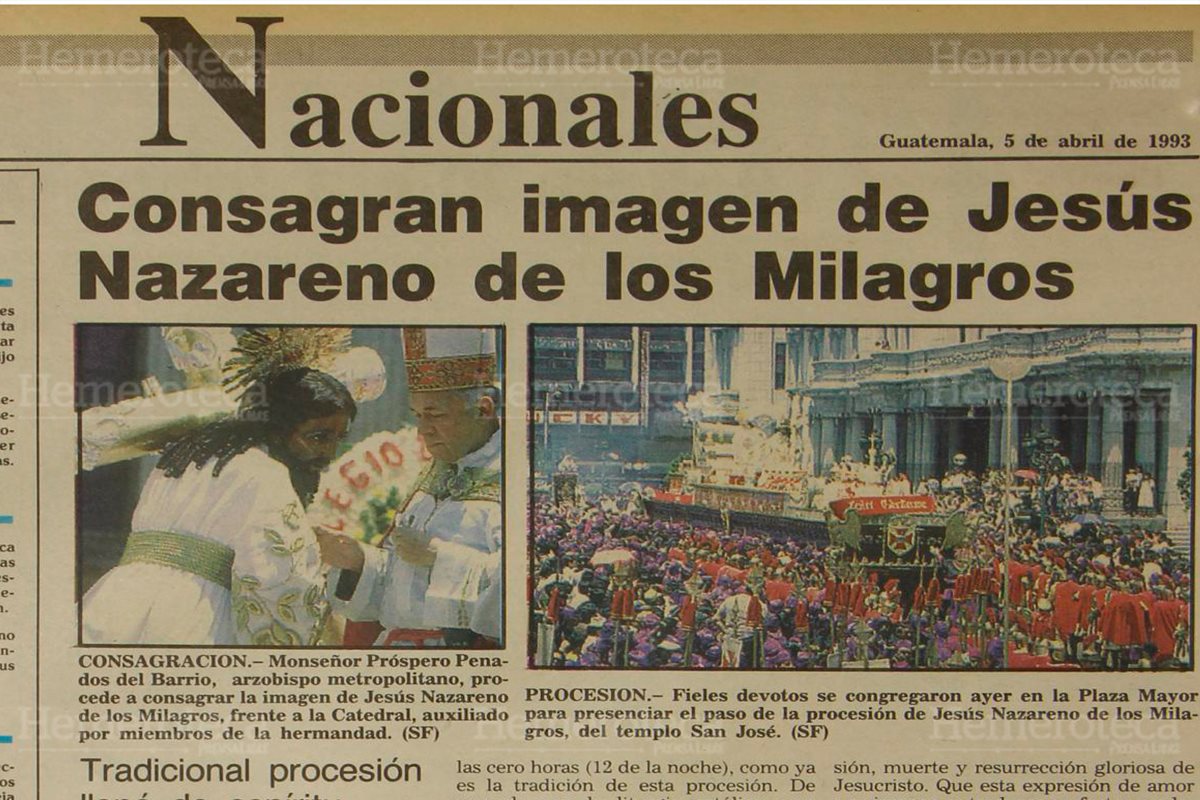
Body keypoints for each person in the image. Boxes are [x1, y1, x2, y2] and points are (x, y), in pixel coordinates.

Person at [82, 365, 357, 645]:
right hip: (193, 619)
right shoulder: (267, 475)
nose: (330, 453)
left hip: (116, 604)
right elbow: (280, 581)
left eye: (338, 439)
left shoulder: (184, 459)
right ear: (279, 428)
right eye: (318, 437)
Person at [320, 328, 503, 646]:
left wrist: (440, 557)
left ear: (483, 409)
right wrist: (358, 561)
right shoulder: (429, 477)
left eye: (435, 415)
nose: (423, 430)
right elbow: (400, 583)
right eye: (417, 415)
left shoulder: (515, 483)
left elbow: (519, 586)